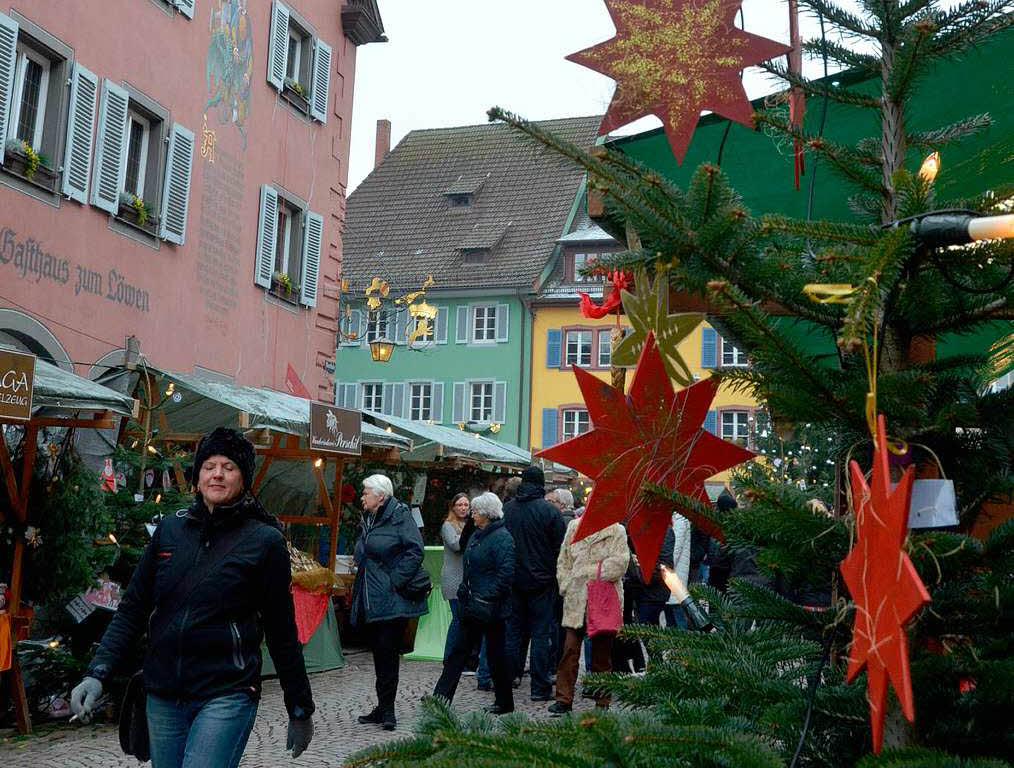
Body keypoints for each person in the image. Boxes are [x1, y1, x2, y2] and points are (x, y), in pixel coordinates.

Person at [69, 428, 314, 768]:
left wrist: (299, 706)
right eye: (209, 465)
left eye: (228, 466)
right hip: (163, 695)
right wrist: (97, 673)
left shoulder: (264, 542)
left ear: (243, 478)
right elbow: (133, 609)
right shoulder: (169, 531)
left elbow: (281, 630)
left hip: (226, 693)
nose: (217, 474)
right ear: (197, 477)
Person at [351, 474, 427, 731]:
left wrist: (394, 581)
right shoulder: (370, 517)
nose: (361, 497)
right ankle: (383, 707)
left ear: (380, 496)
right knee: (381, 654)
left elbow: (416, 549)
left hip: (391, 599)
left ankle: (388, 711)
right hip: (373, 596)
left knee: (387, 654)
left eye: (365, 492)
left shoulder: (399, 515)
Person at [432, 492, 516, 714]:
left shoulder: (502, 538)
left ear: (487, 514)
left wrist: (487, 596)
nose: (472, 514)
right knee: (462, 653)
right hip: (474, 603)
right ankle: (441, 698)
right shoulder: (478, 534)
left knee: (494, 656)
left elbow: (505, 574)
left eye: (476, 511)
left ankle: (504, 702)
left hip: (490, 606)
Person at [549, 517, 629, 714]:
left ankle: (602, 700)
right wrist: (566, 585)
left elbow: (620, 563)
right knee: (569, 651)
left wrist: (589, 572)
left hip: (602, 600)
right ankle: (564, 699)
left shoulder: (616, 530)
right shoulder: (574, 527)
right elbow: (564, 560)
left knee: (602, 656)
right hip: (576, 600)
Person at [503, 466, 566, 701]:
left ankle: (507, 683)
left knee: (512, 634)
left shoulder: (507, 510)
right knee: (541, 635)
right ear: (540, 484)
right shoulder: (549, 512)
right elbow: (560, 548)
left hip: (513, 581)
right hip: (542, 582)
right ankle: (539, 688)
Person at [439, 493, 470, 663]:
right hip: (453, 579)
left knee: (463, 620)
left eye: (466, 505)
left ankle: (460, 656)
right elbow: (456, 545)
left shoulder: (468, 524)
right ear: (453, 507)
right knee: (458, 619)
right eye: (460, 505)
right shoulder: (448, 525)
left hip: (465, 579)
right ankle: (449, 657)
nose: (463, 508)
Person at [664, 513, 692, 629]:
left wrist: (662, 565)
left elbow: (675, 551)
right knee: (672, 616)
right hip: (671, 576)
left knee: (678, 617)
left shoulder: (680, 520)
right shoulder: (673, 518)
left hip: (675, 576)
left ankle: (684, 646)